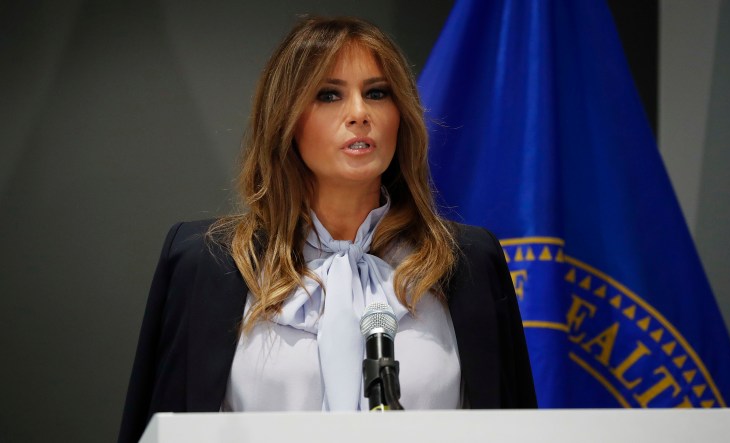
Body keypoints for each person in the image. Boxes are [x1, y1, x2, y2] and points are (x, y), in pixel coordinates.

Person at [118, 16, 536, 443]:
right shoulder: (203, 262)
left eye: (377, 93)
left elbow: (515, 427)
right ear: (286, 118)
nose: (359, 113)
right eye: (329, 95)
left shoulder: (469, 262)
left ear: (401, 115)